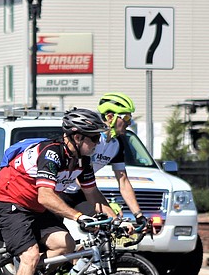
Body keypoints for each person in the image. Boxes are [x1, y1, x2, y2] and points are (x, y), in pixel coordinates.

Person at [0, 108, 116, 275]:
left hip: (33, 207)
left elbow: (92, 194)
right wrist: (78, 217)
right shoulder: (52, 153)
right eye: (95, 138)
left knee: (66, 244)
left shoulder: (82, 160)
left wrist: (116, 219)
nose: (99, 143)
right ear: (77, 137)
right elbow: (46, 196)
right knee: (30, 254)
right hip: (7, 202)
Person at [61, 92, 146, 227]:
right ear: (110, 117)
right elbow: (79, 177)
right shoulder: (89, 138)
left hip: (78, 194)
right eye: (126, 117)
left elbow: (123, 181)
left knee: (103, 229)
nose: (129, 122)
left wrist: (139, 215)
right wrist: (106, 206)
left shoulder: (116, 144)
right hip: (60, 192)